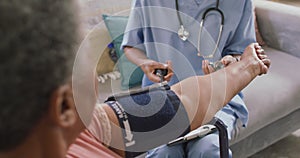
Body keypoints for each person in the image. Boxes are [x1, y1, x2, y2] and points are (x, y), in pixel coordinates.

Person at [0, 1, 270, 158]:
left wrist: (244, 66)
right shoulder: (86, 130)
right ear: (64, 106)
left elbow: (179, 102)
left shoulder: (86, 128)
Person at [122, 0, 257, 157]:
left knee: (209, 148)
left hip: (216, 95)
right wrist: (144, 63)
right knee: (164, 152)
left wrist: (228, 62)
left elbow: (240, 50)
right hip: (164, 97)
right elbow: (131, 45)